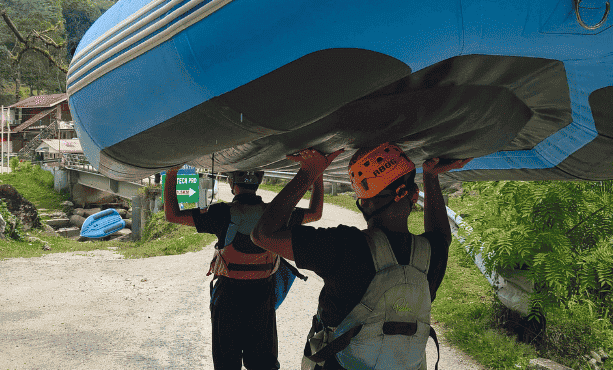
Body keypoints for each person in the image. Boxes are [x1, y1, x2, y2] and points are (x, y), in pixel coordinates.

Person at [251, 143, 472, 370]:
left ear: (363, 202)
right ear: (414, 196)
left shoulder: (346, 245)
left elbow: (263, 235)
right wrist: (431, 177)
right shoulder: (432, 253)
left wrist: (309, 172)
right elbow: (441, 235)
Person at [164, 166, 325, 370]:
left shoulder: (221, 214)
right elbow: (315, 213)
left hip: (227, 297)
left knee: (226, 364)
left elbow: (173, 215)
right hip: (262, 297)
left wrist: (171, 175)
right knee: (263, 364)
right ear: (258, 183)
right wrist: (317, 175)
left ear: (232, 184)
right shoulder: (275, 214)